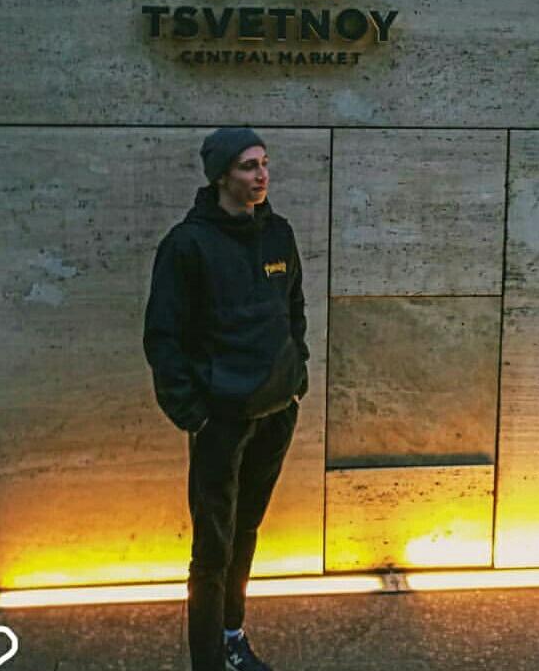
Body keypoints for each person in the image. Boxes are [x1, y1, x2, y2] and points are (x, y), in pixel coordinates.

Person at [144, 126, 309, 671]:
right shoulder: (187, 246)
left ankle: (232, 638)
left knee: (246, 532)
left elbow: (294, 311)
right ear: (220, 176)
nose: (261, 175)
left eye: (264, 163)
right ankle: (208, 660)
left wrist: (296, 379)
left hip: (276, 412)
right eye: (247, 166)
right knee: (212, 551)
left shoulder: (278, 234)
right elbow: (163, 337)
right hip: (221, 421)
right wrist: (194, 414)